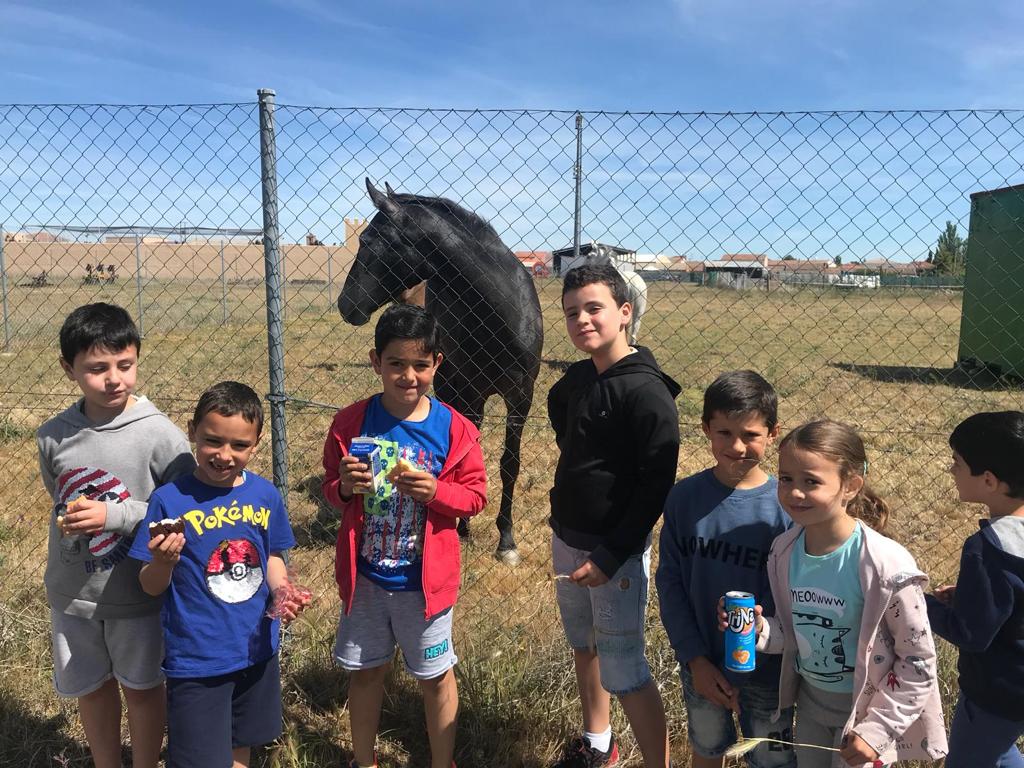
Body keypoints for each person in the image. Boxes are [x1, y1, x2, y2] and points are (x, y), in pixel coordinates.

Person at [725, 419, 947, 768]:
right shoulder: (784, 551)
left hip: (865, 718)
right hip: (810, 708)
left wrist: (876, 731)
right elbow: (796, 633)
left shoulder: (886, 566)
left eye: (811, 481)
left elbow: (917, 662)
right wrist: (760, 631)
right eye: (786, 479)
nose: (794, 492)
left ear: (851, 485)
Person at [322, 304, 487, 768]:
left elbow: (475, 497)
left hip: (424, 588)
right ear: (376, 361)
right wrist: (344, 488)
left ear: (437, 363)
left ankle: (442, 762)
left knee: (435, 677)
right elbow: (330, 489)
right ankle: (363, 760)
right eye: (396, 363)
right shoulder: (350, 423)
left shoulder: (455, 430)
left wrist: (437, 492)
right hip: (367, 580)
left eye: (420, 364)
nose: (408, 376)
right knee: (366, 672)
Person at [38, 302, 196, 768]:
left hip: (137, 595)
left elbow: (186, 511)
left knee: (143, 689)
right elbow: (59, 494)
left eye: (125, 365)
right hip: (74, 595)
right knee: (92, 689)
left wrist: (114, 515)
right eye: (97, 368)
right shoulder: (53, 436)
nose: (114, 379)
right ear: (68, 369)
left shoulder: (160, 436)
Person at [128, 381, 307, 768]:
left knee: (241, 743)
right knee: (199, 758)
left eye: (239, 445)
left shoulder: (265, 496)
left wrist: (282, 590)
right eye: (212, 441)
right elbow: (149, 585)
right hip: (198, 658)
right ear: (192, 431)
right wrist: (163, 562)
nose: (225, 455)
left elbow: (272, 556)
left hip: (256, 649)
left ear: (256, 444)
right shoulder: (169, 500)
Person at [548, 263, 680, 768]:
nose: (582, 319)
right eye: (571, 312)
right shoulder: (578, 379)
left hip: (614, 555)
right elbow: (560, 412)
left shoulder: (647, 392)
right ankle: (598, 743)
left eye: (594, 308)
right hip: (568, 540)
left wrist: (611, 554)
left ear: (625, 312)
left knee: (624, 667)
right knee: (585, 646)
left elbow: (655, 487)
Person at [656, 370, 794, 768]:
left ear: (773, 433)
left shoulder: (788, 509)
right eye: (724, 433)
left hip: (768, 671)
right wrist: (695, 658)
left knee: (773, 760)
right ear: (705, 429)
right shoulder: (684, 498)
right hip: (703, 663)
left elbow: (794, 594)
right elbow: (670, 582)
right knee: (708, 747)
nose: (736, 446)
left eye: (750, 434)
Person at [926, 411, 1024, 768]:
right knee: (999, 754)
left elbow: (970, 634)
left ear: (988, 480)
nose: (951, 470)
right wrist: (971, 596)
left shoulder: (988, 548)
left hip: (996, 692)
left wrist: (920, 604)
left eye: (957, 462)